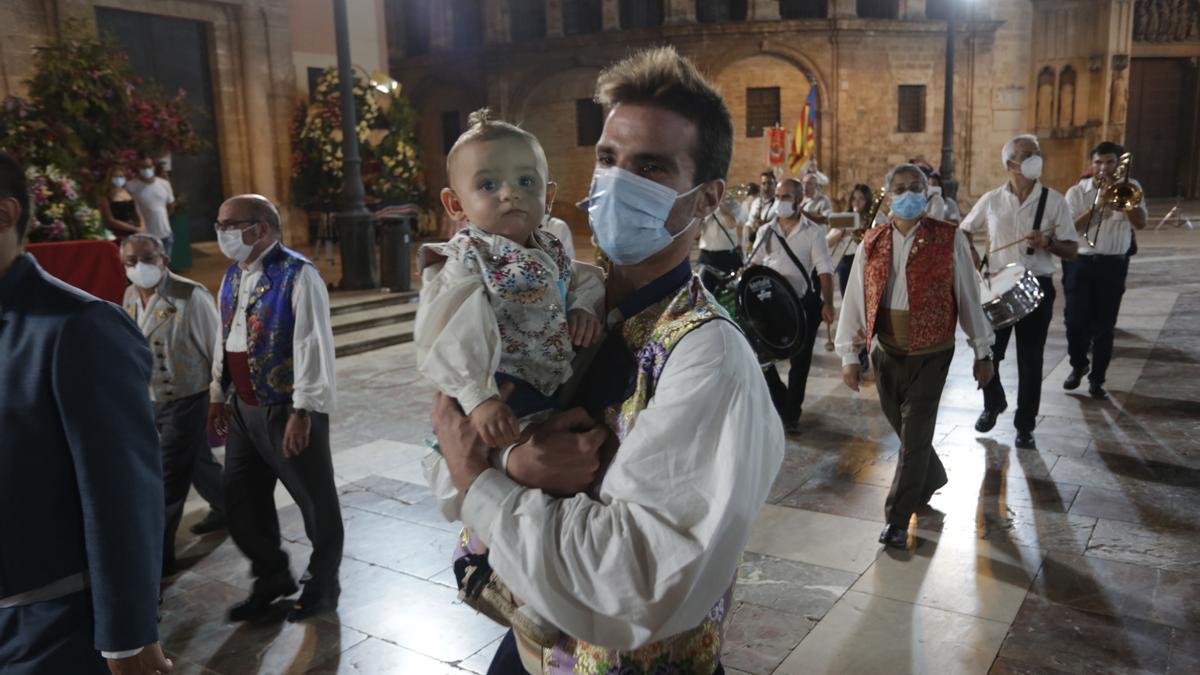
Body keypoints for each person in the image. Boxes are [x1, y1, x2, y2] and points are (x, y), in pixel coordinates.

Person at [431, 46, 783, 674]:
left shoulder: (708, 356)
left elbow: (633, 584)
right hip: (527, 639)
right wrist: (509, 455)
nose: (619, 181)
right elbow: (446, 438)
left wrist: (483, 481)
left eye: (651, 167)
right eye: (608, 159)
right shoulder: (551, 301)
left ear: (706, 200)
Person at [0, 153, 172, 673]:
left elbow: (121, 496)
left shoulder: (77, 327)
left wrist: (129, 640)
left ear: (5, 213)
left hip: (47, 623)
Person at [836, 163, 994, 550]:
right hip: (886, 352)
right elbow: (855, 299)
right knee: (907, 434)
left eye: (915, 188)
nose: (908, 195)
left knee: (914, 436)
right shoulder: (871, 241)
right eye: (900, 188)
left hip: (932, 353)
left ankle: (895, 517)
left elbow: (969, 297)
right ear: (889, 195)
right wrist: (849, 355)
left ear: (927, 193)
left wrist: (983, 350)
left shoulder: (949, 239)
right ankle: (932, 475)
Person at [206, 194, 342, 623]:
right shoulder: (231, 276)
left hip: (288, 407)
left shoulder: (298, 275)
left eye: (230, 225)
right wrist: (216, 392)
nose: (222, 232)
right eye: (220, 224)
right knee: (240, 499)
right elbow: (224, 337)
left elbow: (312, 344)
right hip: (243, 406)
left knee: (314, 500)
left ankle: (322, 585)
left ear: (260, 229)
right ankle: (272, 577)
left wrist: (304, 411)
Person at [959, 134, 1079, 449]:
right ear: (1011, 164)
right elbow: (963, 230)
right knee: (988, 353)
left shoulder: (1054, 201)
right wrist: (971, 254)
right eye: (1027, 154)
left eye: (1037, 153)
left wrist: (1048, 243)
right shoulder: (992, 199)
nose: (1034, 158)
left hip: (1036, 286)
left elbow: (1072, 249)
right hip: (998, 283)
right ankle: (993, 402)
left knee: (1030, 359)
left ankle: (1025, 424)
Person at [120, 234, 227, 574]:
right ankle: (230, 506)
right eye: (131, 261)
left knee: (167, 476)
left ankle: (158, 555)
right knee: (195, 459)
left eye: (147, 258)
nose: (140, 267)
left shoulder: (190, 295)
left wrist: (216, 396)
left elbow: (216, 349)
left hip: (187, 396)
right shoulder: (129, 295)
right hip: (151, 398)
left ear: (164, 258)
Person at [1062, 141, 1147, 400]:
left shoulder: (1131, 188)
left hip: (1113, 264)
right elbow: (1070, 229)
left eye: (1109, 162)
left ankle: (1097, 379)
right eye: (1098, 162)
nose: (1104, 168)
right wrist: (1098, 205)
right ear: (1091, 164)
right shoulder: (1077, 192)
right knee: (1074, 322)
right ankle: (1078, 364)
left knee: (1105, 325)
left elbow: (1141, 223)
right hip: (1081, 263)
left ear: (1118, 164)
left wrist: (1124, 202)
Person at [752, 177, 835, 431]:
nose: (780, 201)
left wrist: (828, 303)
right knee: (763, 358)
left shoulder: (813, 232)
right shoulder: (767, 230)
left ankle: (790, 414)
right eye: (778, 196)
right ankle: (781, 400)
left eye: (786, 197)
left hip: (803, 305)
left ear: (800, 200)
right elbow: (754, 263)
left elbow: (824, 270)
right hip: (772, 306)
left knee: (800, 362)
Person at [826, 183, 873, 295]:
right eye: (854, 198)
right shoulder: (845, 217)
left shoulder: (874, 217)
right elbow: (827, 242)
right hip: (847, 262)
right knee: (847, 297)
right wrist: (844, 231)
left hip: (867, 262)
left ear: (868, 201)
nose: (856, 202)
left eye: (861, 198)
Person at [127, 155, 176, 255]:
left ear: (153, 167)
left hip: (165, 233)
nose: (146, 170)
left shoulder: (164, 184)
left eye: (148, 166)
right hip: (144, 236)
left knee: (164, 266)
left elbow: (171, 205)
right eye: (143, 167)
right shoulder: (131, 186)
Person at [697, 190, 744, 291]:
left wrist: (719, 204)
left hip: (726, 257)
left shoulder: (734, 205)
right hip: (706, 257)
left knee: (728, 292)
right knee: (702, 293)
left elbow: (731, 224)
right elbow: (696, 232)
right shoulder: (703, 206)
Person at [100, 164, 143, 240]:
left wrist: (142, 226)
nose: (119, 179)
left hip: (136, 232)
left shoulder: (130, 194)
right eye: (116, 177)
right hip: (120, 234)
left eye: (121, 177)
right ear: (110, 178)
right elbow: (111, 220)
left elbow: (138, 213)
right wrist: (133, 228)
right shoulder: (106, 197)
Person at [743, 170, 778, 245]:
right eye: (763, 183)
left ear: (775, 185)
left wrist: (765, 224)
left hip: (772, 243)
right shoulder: (756, 202)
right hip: (755, 243)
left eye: (770, 183)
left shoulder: (778, 203)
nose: (766, 186)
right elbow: (750, 221)